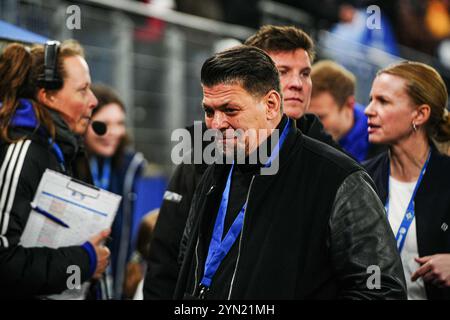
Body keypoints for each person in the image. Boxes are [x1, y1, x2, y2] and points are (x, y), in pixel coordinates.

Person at [173, 45, 406, 299]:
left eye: (230, 110)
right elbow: (187, 261)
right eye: (209, 111)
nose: (216, 124)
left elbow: (381, 290)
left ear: (271, 105)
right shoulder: (214, 172)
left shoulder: (338, 178)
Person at [143, 25, 342, 300]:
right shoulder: (204, 152)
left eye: (305, 73)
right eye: (282, 71)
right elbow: (166, 256)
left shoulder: (335, 167)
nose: (297, 83)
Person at [0, 40, 110, 298]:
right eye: (82, 90)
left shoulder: (60, 149)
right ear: (47, 95)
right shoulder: (23, 151)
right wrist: (84, 261)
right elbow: (3, 259)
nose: (93, 100)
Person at [364, 61, 450, 299]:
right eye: (371, 99)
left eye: (383, 101)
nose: (368, 110)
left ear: (420, 114)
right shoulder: (360, 178)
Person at [84, 84, 147, 299]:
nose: (114, 132)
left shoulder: (128, 168)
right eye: (104, 124)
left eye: (120, 123)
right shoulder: (67, 162)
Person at [309, 60, 384, 162]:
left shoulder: (383, 141)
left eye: (321, 117)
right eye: (307, 116)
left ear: (349, 105)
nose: (311, 124)